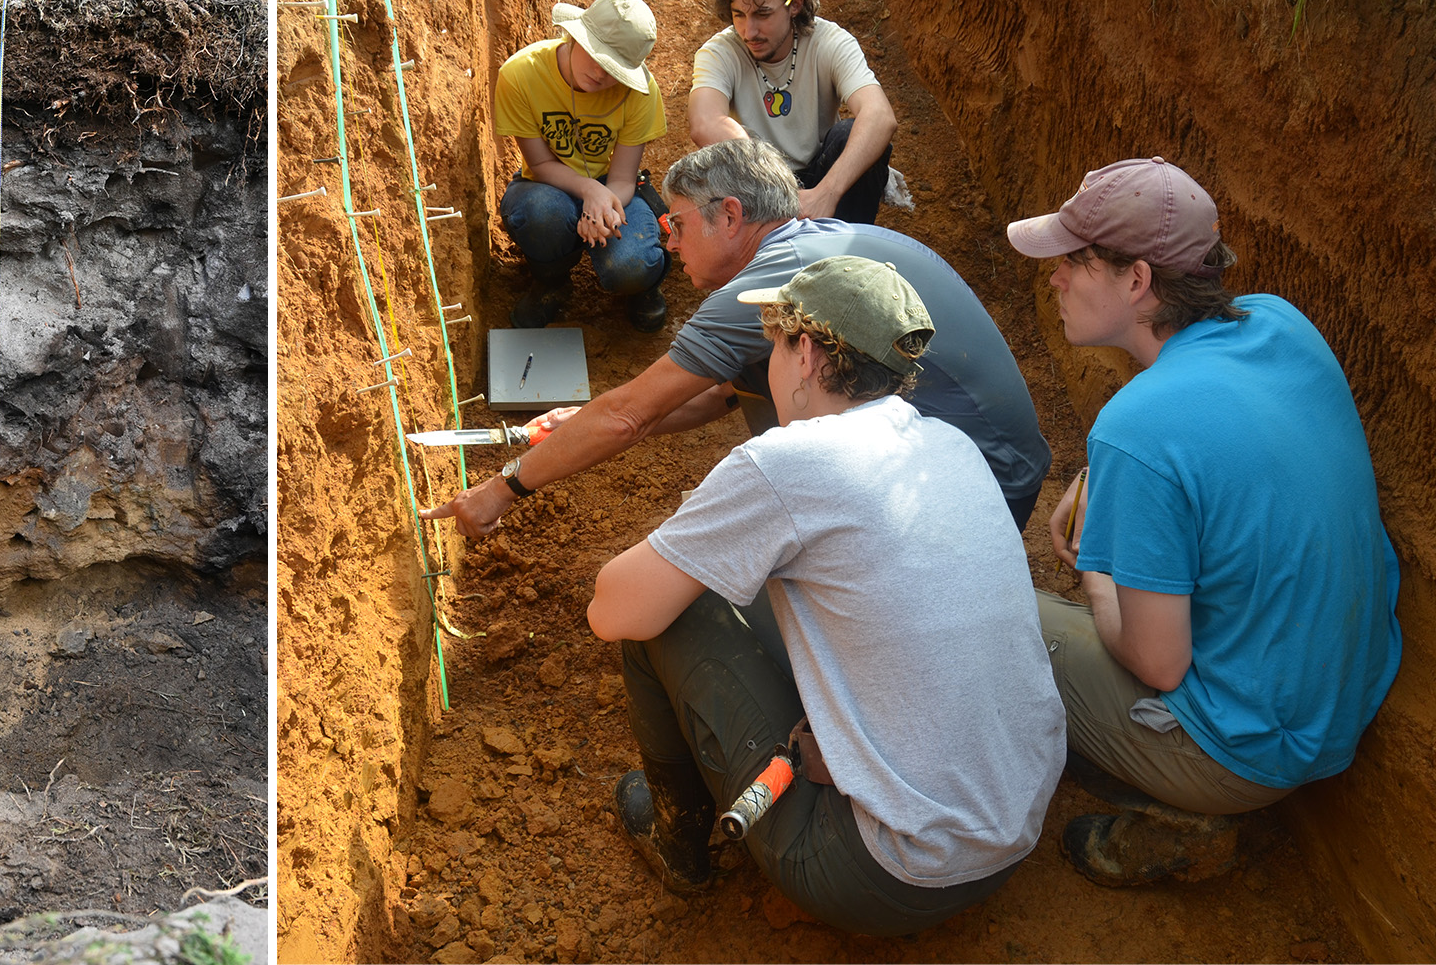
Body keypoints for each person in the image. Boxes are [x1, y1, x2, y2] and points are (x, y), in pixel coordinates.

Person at [587, 256, 1065, 936]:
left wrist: (693, 536)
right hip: (1012, 832)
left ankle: (681, 845)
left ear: (806, 352)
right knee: (767, 586)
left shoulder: (789, 461)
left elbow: (613, 610)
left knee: (667, 618)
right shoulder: (950, 443)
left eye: (774, 343)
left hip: (879, 875)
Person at [1008, 156, 1401, 885]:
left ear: (1138, 281)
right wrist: (1110, 481)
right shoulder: (1282, 324)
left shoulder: (1139, 427)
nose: (1055, 277)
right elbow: (1224, 446)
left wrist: (1097, 569)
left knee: (997, 616)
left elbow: (1159, 663)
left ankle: (1182, 810)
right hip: (1339, 705)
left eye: (1075, 261)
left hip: (1242, 753)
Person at [423, 138, 1049, 536]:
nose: (667, 240)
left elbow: (629, 418)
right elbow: (717, 394)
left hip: (974, 481)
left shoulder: (771, 282)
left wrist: (501, 489)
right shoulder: (807, 247)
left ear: (729, 214)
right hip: (988, 460)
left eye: (677, 223)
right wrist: (584, 417)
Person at [494, 0, 671, 332]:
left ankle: (643, 285)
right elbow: (540, 164)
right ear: (575, 34)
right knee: (541, 215)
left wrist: (603, 205)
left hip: (613, 188)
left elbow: (622, 177)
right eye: (595, 54)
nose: (601, 73)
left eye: (615, 68)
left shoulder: (640, 94)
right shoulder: (520, 74)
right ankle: (552, 281)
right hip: (546, 183)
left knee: (630, 264)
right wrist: (588, 190)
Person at [686, 0, 896, 224]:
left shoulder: (830, 41)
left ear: (795, 4)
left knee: (850, 134)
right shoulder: (719, 52)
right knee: (721, 168)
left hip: (820, 173)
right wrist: (779, 184)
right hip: (755, 178)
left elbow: (880, 116)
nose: (749, 31)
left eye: (763, 14)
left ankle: (842, 250)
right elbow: (704, 121)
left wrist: (827, 192)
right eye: (739, 15)